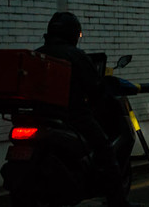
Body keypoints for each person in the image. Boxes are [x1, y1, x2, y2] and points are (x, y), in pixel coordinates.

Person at [36, 12, 129, 207]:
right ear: (72, 33)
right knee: (105, 149)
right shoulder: (75, 55)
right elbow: (95, 89)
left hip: (39, 117)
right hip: (73, 117)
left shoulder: (37, 54)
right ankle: (118, 202)